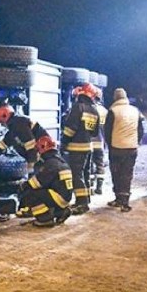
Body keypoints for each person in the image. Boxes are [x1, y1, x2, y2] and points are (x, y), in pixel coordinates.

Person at [17, 135, 73, 227]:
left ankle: (45, 219)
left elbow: (38, 183)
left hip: (58, 197)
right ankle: (60, 212)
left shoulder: (50, 164)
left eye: (38, 150)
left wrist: (24, 186)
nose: (38, 153)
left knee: (31, 194)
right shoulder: (60, 160)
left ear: (43, 149)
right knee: (45, 192)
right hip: (65, 198)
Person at [61, 83, 100, 214]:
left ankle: (81, 203)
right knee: (86, 174)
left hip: (76, 148)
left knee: (76, 175)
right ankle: (86, 199)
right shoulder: (94, 110)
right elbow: (95, 132)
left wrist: (63, 143)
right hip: (89, 147)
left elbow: (70, 128)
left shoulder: (78, 107)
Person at [104, 87, 145, 212]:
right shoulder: (135, 111)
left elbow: (107, 131)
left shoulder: (113, 111)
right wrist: (136, 141)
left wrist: (109, 145)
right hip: (132, 148)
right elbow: (141, 130)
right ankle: (125, 201)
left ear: (115, 98)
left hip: (116, 148)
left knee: (116, 173)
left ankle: (118, 198)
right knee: (127, 174)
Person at [0, 104, 48, 174]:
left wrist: (31, 164)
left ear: (5, 115)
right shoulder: (14, 127)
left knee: (36, 181)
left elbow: (31, 145)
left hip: (42, 159)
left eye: (1, 122)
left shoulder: (19, 124)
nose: (2, 125)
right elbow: (4, 144)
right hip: (40, 158)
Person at [90, 88, 109, 195]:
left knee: (90, 166)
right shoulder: (104, 111)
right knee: (100, 165)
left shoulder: (88, 109)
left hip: (89, 143)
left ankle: (91, 188)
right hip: (100, 143)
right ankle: (99, 187)